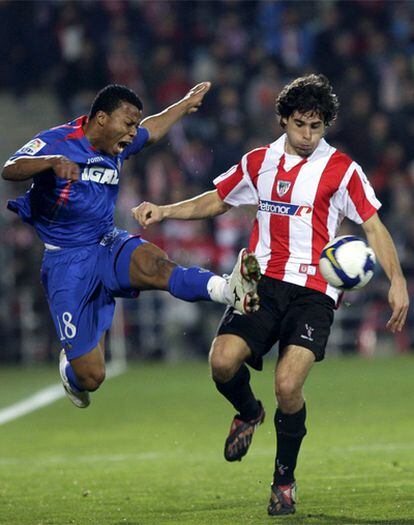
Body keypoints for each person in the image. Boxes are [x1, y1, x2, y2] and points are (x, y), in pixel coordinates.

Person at [132, 74, 409, 516]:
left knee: (287, 385)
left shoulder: (342, 170)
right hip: (262, 285)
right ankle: (247, 410)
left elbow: (373, 226)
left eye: (317, 127)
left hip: (315, 291)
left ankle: (284, 480)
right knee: (221, 362)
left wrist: (397, 280)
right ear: (284, 119)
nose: (308, 135)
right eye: (300, 124)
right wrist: (164, 210)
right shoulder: (259, 162)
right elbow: (218, 199)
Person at [2, 82, 261, 410]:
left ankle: (228, 290)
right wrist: (51, 162)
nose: (132, 133)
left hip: (107, 242)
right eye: (127, 124)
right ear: (100, 119)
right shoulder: (59, 141)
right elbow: (10, 168)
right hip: (67, 262)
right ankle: (71, 369)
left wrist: (183, 104)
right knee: (92, 377)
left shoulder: (118, 143)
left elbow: (151, 131)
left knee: (156, 264)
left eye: (134, 125)